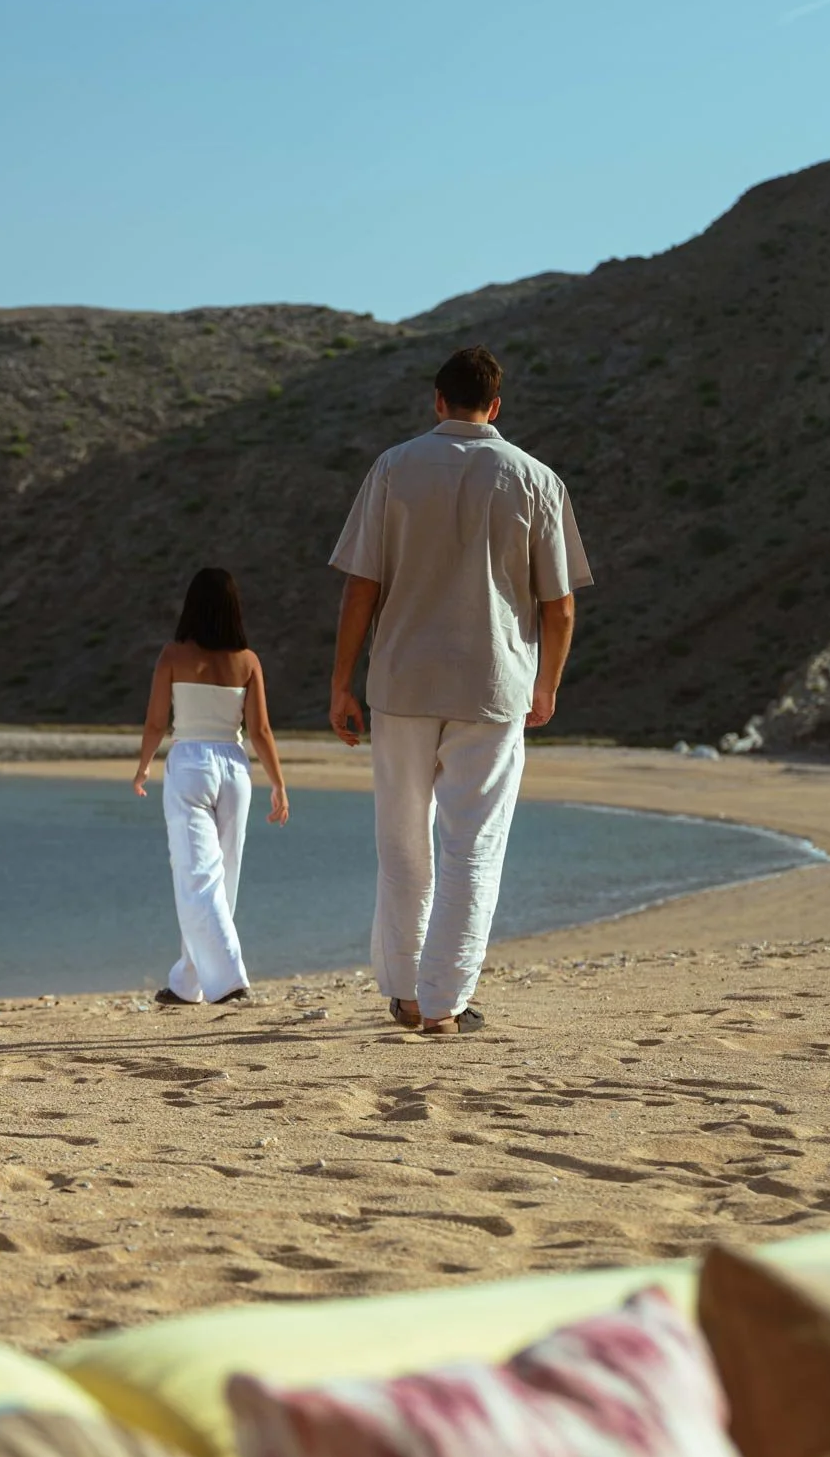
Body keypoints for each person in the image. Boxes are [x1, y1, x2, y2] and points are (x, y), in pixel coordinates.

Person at [328, 346, 590, 1036]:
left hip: (402, 679)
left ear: (437, 400)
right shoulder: (537, 479)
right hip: (493, 683)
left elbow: (362, 585)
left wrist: (340, 682)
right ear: (496, 406)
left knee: (402, 843)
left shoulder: (393, 467)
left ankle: (407, 993)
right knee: (473, 845)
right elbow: (559, 606)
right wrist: (547, 684)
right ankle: (443, 1002)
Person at [132, 567, 291, 1006]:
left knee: (197, 876)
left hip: (190, 765)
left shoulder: (172, 655)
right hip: (236, 769)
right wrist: (278, 783)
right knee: (223, 878)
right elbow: (259, 729)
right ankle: (188, 981)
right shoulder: (248, 660)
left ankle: (230, 981)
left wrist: (143, 767)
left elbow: (155, 722)